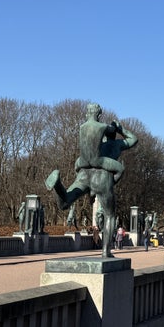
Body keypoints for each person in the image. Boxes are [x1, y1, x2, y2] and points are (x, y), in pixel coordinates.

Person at [46, 103, 138, 258]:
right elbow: (133, 140)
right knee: (110, 215)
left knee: (64, 203)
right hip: (102, 177)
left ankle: (57, 185)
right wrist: (120, 129)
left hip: (84, 174)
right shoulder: (116, 144)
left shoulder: (94, 139)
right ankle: (106, 252)